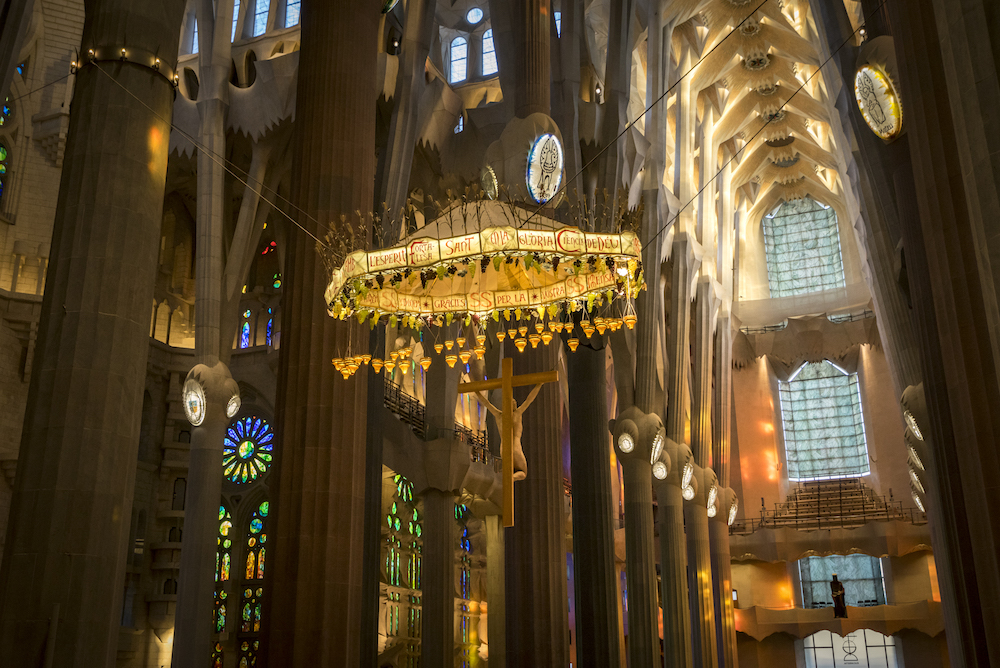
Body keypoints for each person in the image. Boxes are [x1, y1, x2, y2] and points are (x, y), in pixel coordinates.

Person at [475, 383, 544, 481]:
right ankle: (512, 478)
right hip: (515, 446)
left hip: (504, 448)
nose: (515, 403)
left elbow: (486, 403)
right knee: (523, 472)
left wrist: (476, 391)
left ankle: (509, 477)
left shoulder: (498, 415)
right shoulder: (517, 413)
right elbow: (529, 399)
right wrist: (539, 384)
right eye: (514, 402)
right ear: (513, 406)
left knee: (508, 470)